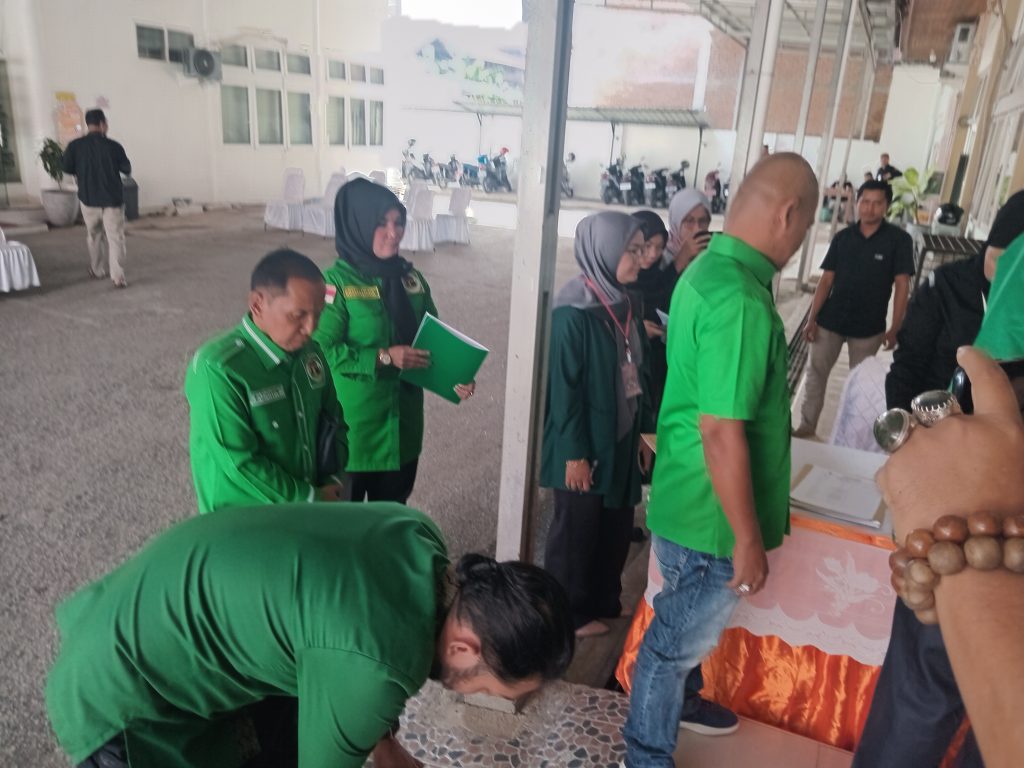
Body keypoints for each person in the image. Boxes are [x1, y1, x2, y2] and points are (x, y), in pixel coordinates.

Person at [46, 502, 575, 768]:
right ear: (463, 648)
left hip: (150, 613)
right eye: (485, 689)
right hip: (123, 691)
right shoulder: (379, 667)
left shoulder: (418, 537)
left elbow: (330, 623)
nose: (473, 696)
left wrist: (385, 744)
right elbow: (360, 655)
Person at [623, 153, 820, 768]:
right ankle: (645, 757)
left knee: (677, 627)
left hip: (686, 494)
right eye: (806, 224)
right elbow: (720, 430)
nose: (802, 238)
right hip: (712, 518)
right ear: (787, 215)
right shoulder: (737, 298)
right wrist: (747, 539)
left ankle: (682, 703)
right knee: (669, 646)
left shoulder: (706, 271)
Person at [856, 213, 1024, 768]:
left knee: (926, 691)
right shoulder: (948, 286)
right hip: (961, 507)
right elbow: (907, 368)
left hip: (973, 517)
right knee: (924, 690)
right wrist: (911, 449)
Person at [312, 178, 474, 504]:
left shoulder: (411, 279)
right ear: (357, 223)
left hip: (403, 429)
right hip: (355, 434)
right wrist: (383, 357)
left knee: (391, 519)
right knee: (345, 525)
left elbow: (432, 341)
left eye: (398, 222)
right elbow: (321, 352)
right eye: (381, 223)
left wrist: (457, 375)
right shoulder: (335, 283)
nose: (394, 232)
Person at [540, 212, 654, 639]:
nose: (641, 258)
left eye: (642, 249)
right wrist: (574, 455)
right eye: (632, 250)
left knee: (616, 522)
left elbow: (640, 374)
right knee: (577, 528)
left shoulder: (625, 303)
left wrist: (645, 434)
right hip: (585, 439)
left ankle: (604, 597)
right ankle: (567, 612)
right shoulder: (572, 314)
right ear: (603, 251)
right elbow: (564, 391)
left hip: (622, 435)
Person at [184, 249, 348, 514]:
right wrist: (309, 497)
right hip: (247, 522)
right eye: (298, 315)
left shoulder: (310, 354)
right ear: (257, 304)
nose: (311, 328)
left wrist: (333, 479)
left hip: (308, 509)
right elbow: (240, 463)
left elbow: (333, 421)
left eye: (318, 314)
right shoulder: (218, 369)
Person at [794, 180, 915, 438]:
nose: (869, 208)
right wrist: (812, 319)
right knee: (815, 374)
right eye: (865, 202)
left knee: (860, 384)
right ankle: (807, 425)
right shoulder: (843, 238)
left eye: (877, 203)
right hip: (830, 321)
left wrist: (895, 327)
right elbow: (826, 280)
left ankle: (850, 436)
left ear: (886, 206)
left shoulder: (899, 240)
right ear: (857, 202)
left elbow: (902, 285)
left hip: (869, 328)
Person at [885, 189, 1024, 411]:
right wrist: (908, 423)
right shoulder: (946, 286)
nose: (1004, 279)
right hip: (932, 417)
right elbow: (907, 366)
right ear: (988, 245)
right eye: (999, 261)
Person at [61, 108, 132, 287]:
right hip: (112, 200)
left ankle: (97, 269)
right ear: (102, 124)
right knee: (115, 238)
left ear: (88, 124)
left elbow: (67, 168)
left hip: (88, 199)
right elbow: (126, 169)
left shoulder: (75, 146)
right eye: (106, 123)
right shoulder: (114, 146)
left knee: (94, 235)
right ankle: (118, 277)